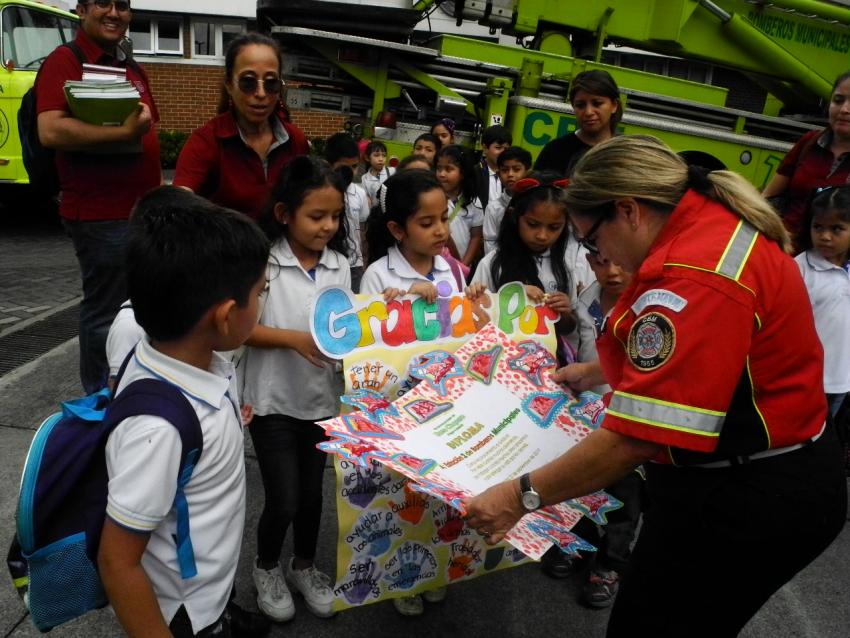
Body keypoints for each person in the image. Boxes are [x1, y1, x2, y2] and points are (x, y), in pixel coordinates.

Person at [464, 135, 847, 638]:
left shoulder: (695, 272)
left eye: (592, 241)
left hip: (749, 496)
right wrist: (596, 371)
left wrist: (520, 496)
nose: (598, 255)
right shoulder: (704, 227)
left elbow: (636, 435)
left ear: (628, 211)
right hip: (751, 476)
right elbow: (708, 354)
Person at [98, 188, 270, 638]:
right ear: (227, 315)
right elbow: (118, 560)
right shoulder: (158, 429)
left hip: (209, 587)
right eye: (261, 292)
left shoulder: (195, 360)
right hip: (183, 614)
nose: (263, 300)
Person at [361, 168, 482, 617]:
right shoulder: (378, 275)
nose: (441, 231)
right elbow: (365, 348)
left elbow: (465, 329)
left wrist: (477, 303)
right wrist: (403, 299)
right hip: (399, 409)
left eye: (444, 219)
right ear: (397, 229)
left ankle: (435, 569)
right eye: (426, 222)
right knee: (401, 496)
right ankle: (401, 579)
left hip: (448, 405)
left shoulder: (451, 268)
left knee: (441, 496)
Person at [241, 156, 348, 623]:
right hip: (270, 402)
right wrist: (294, 341)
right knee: (283, 497)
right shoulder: (264, 262)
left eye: (336, 216)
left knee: (311, 497)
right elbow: (241, 329)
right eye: (317, 216)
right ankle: (266, 566)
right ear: (285, 214)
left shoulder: (341, 265)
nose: (328, 226)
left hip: (321, 400)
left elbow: (344, 330)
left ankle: (304, 566)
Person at [36, 0, 161, 394]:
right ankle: (99, 398)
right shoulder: (65, 61)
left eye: (122, 5)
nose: (114, 13)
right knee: (104, 312)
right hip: (98, 215)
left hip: (138, 213)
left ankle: (130, 384)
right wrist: (122, 135)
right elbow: (51, 131)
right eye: (102, 3)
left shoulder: (129, 64)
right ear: (81, 9)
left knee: (134, 309)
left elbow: (149, 125)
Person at [558, 252, 644, 609]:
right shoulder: (586, 300)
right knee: (580, 487)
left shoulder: (647, 304)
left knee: (624, 499)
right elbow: (575, 346)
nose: (612, 271)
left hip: (627, 422)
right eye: (600, 262)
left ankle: (610, 565)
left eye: (620, 261)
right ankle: (579, 544)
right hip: (585, 414)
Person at [173, 33, 309, 220]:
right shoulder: (206, 141)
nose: (261, 93)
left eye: (271, 83)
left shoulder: (295, 140)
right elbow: (178, 203)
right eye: (248, 82)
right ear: (229, 84)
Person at [471, 172, 576, 350]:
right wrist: (510, 297)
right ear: (514, 216)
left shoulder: (565, 266)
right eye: (533, 224)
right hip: (502, 364)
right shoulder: (492, 264)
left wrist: (564, 313)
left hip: (547, 363)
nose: (542, 236)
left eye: (554, 227)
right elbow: (473, 319)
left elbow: (568, 329)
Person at [763, 71, 850, 242]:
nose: (845, 109)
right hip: (782, 249)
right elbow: (768, 197)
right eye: (838, 100)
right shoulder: (809, 142)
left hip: (831, 264)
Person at [795, 185, 850, 418]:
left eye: (837, 229)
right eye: (818, 227)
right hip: (807, 380)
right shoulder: (799, 268)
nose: (825, 236)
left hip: (843, 380)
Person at [534, 69, 621, 177]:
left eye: (597, 104)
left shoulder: (625, 152)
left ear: (614, 105)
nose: (588, 112)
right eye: (580, 105)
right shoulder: (555, 151)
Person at [325, 132, 370, 291]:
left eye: (354, 166)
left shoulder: (359, 193)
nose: (350, 172)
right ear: (329, 164)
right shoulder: (320, 192)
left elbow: (362, 228)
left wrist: (363, 260)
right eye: (344, 167)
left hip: (354, 263)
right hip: (327, 261)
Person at [435, 145, 484, 269]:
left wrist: (463, 265)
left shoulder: (474, 202)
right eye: (439, 168)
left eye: (448, 169)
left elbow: (476, 236)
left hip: (461, 264)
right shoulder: (433, 199)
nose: (441, 174)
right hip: (435, 262)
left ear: (463, 173)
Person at [483, 146, 532, 254]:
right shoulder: (493, 208)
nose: (510, 174)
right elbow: (490, 245)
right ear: (498, 174)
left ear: (528, 172)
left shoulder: (534, 205)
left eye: (516, 169)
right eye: (505, 170)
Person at [477, 125, 513, 209]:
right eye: (498, 147)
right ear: (485, 148)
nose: (502, 152)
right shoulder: (475, 173)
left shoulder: (511, 175)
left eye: (506, 148)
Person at [360, 140, 396, 204]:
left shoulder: (392, 171)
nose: (381, 159)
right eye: (376, 155)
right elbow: (367, 200)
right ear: (367, 158)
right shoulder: (364, 178)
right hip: (376, 211)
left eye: (384, 155)